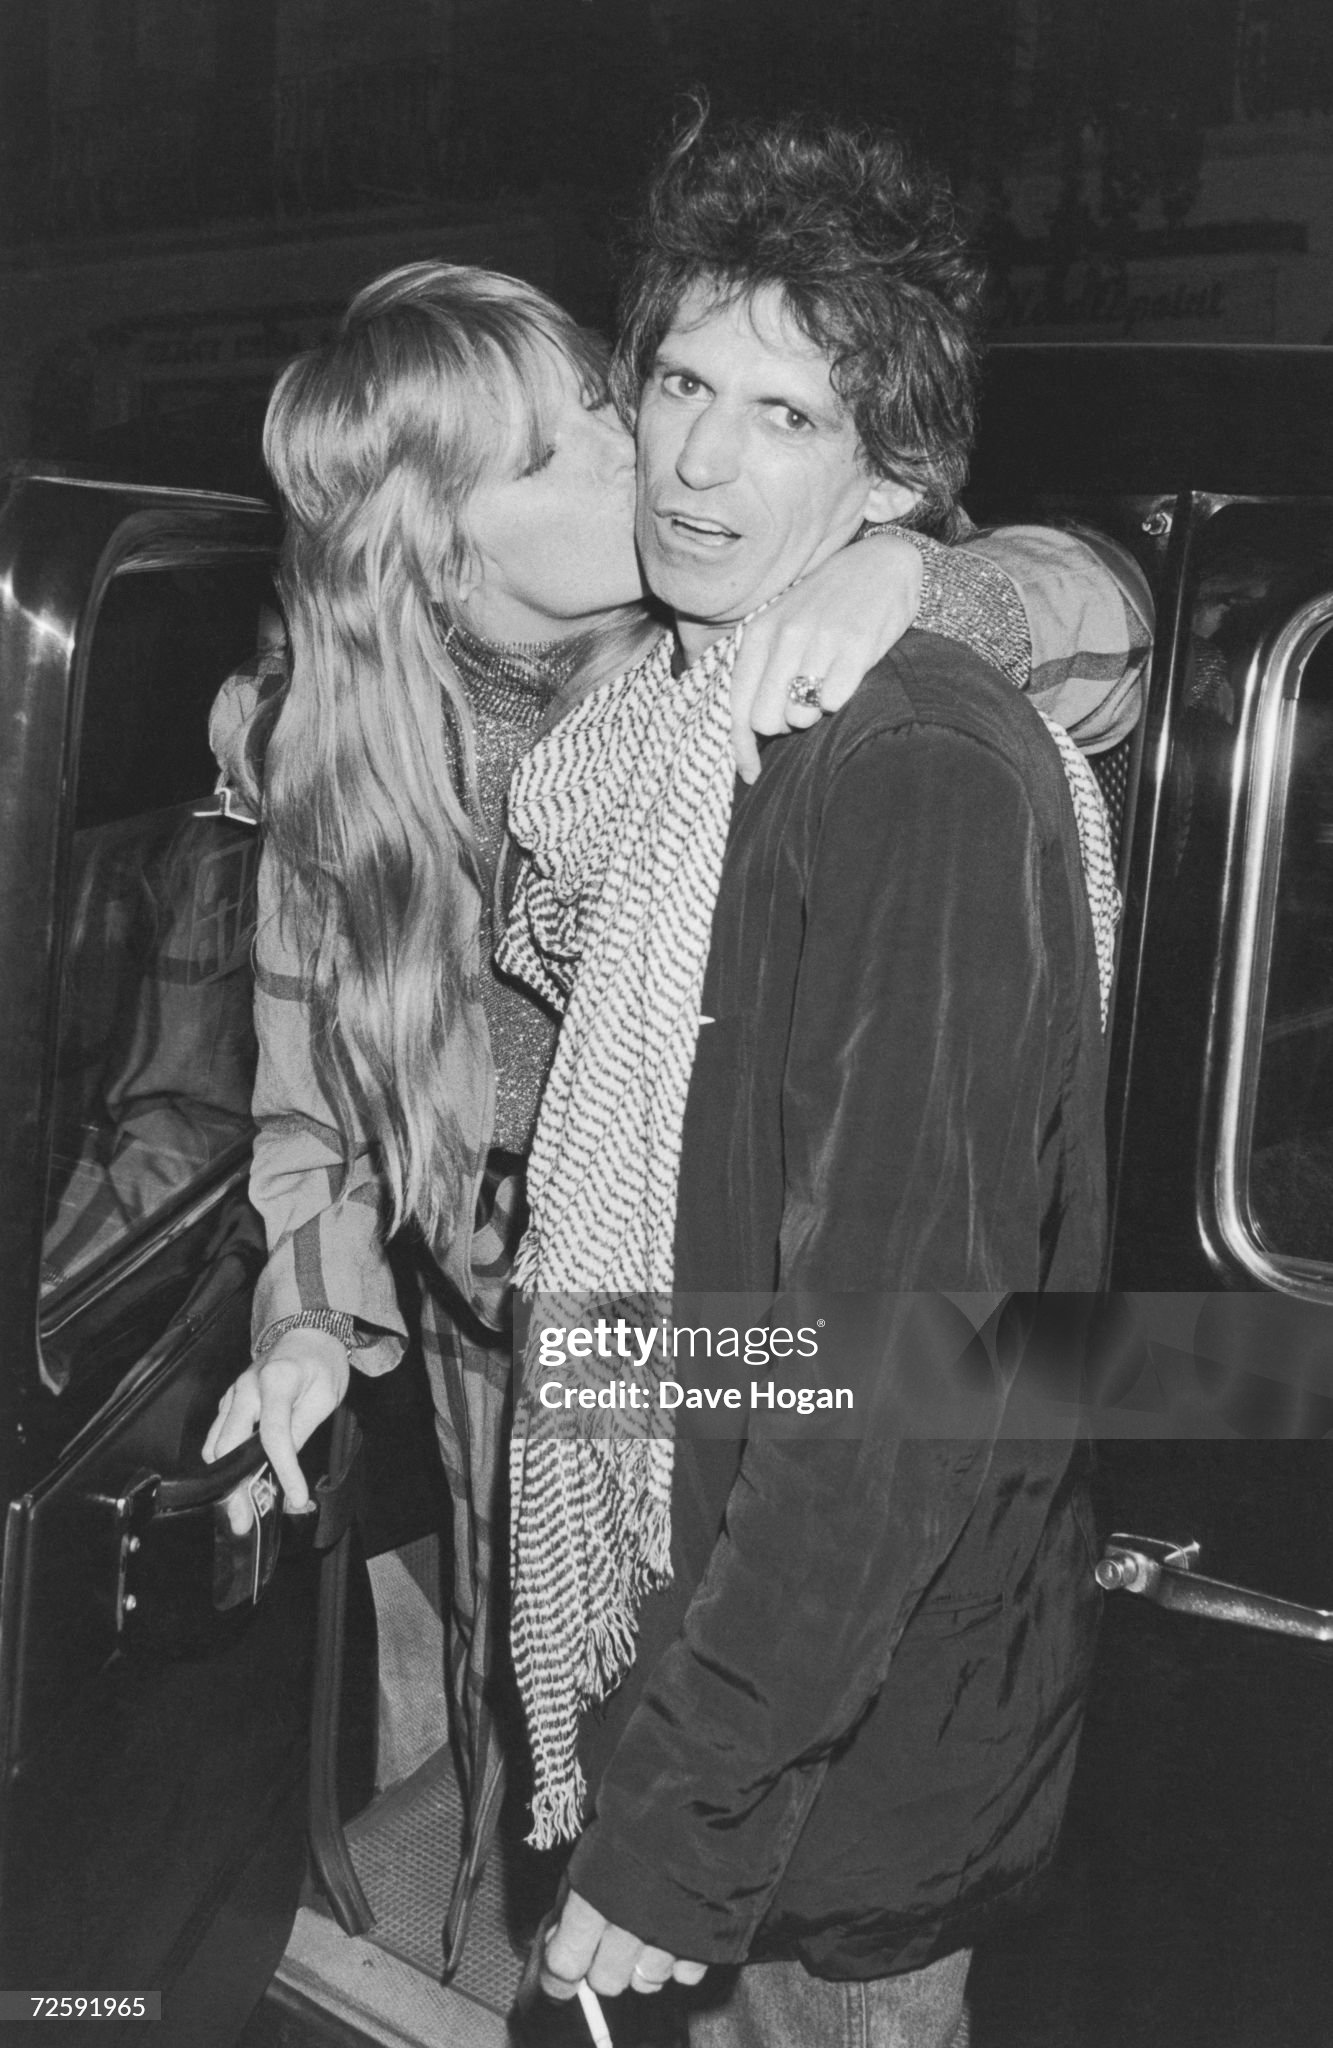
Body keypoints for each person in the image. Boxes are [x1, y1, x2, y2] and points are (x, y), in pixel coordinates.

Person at [201, 258, 1143, 1972]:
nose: (649, 443)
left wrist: (915, 576)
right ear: (437, 546)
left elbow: (1106, 615)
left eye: (605, 398)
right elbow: (308, 1121)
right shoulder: (324, 766)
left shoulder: (730, 647)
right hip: (507, 1329)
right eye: (567, 444)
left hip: (727, 1326)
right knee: (531, 1717)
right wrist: (310, 1325)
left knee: (712, 1710)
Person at [502, 111, 1117, 2046]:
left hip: (829, 1794)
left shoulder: (906, 765)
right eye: (679, 381)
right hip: (742, 1688)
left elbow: (890, 1371)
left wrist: (682, 1817)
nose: (696, 456)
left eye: (784, 414)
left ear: (890, 478)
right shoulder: (679, 724)